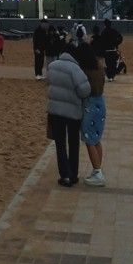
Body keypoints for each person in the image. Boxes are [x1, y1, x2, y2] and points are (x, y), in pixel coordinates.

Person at [46, 42, 91, 187]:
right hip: (73, 112)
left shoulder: (52, 66)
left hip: (55, 111)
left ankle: (64, 174)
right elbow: (85, 91)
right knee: (73, 142)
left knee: (60, 144)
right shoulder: (75, 68)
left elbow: (50, 83)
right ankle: (73, 174)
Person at [73, 43, 107, 187]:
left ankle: (98, 172)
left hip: (90, 105)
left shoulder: (84, 71)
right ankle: (97, 169)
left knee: (88, 139)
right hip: (101, 103)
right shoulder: (99, 67)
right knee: (97, 138)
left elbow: (82, 89)